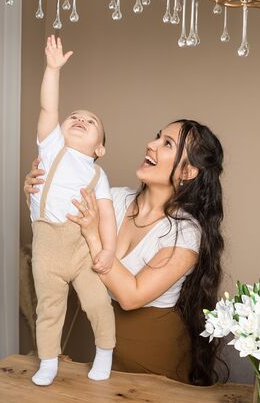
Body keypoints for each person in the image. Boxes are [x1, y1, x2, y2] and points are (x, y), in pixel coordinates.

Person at [25, 119, 225, 386]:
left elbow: (131, 296)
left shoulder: (185, 233)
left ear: (188, 172)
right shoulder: (114, 200)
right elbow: (55, 229)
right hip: (103, 357)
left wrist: (93, 237)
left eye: (167, 144)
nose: (150, 145)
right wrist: (37, 191)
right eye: (157, 136)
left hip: (157, 364)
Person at [29, 35, 117, 386]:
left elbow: (107, 214)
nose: (79, 120)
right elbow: (49, 108)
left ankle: (106, 351)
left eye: (90, 121)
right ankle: (48, 361)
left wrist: (107, 249)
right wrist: (52, 70)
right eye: (74, 117)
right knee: (49, 309)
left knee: (97, 303)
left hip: (82, 248)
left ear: (100, 148)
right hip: (47, 245)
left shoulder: (98, 173)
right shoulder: (51, 149)